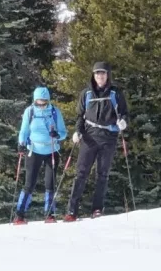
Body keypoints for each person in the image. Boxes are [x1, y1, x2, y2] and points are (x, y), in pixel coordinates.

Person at [65, 61, 129, 221]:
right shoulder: (86, 94)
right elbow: (81, 116)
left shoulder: (115, 93)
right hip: (89, 136)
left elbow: (124, 112)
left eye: (103, 73)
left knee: (102, 174)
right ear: (93, 76)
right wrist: (78, 131)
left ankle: (97, 209)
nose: (100, 76)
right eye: (97, 73)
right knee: (81, 173)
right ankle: (72, 210)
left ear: (108, 75)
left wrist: (123, 122)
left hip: (108, 137)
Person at [14, 86, 67, 223]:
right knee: (29, 183)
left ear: (48, 100)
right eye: (39, 102)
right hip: (34, 150)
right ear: (35, 100)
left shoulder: (55, 112)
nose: (41, 104)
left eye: (44, 102)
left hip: (52, 150)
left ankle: (50, 213)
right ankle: (20, 214)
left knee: (50, 183)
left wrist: (57, 135)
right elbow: (24, 130)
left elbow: (63, 132)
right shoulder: (30, 111)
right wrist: (21, 143)